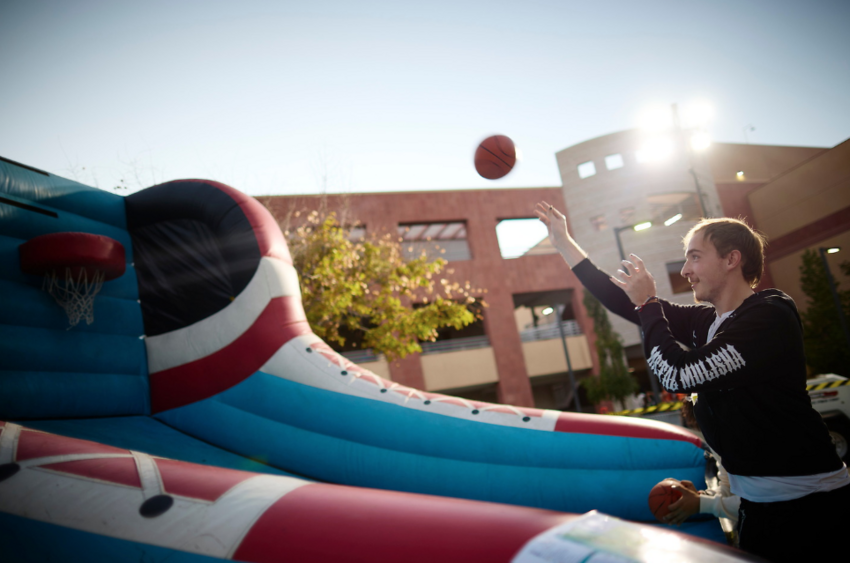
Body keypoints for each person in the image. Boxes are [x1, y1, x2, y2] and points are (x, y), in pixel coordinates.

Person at [535, 202, 850, 563]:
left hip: (811, 507)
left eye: (695, 257)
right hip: (760, 506)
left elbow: (676, 373)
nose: (685, 270)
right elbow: (623, 302)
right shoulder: (708, 322)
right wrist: (563, 243)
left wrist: (649, 303)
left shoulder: (769, 315)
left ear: (732, 259)